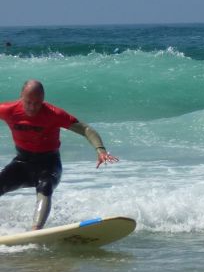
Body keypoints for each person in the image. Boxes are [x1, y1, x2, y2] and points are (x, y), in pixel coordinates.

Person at [0, 80, 119, 230]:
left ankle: (36, 230)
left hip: (48, 164)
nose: (32, 107)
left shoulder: (54, 114)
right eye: (28, 102)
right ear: (21, 97)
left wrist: (100, 150)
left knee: (45, 186)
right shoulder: (8, 110)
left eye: (37, 103)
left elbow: (86, 130)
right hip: (22, 162)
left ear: (43, 100)